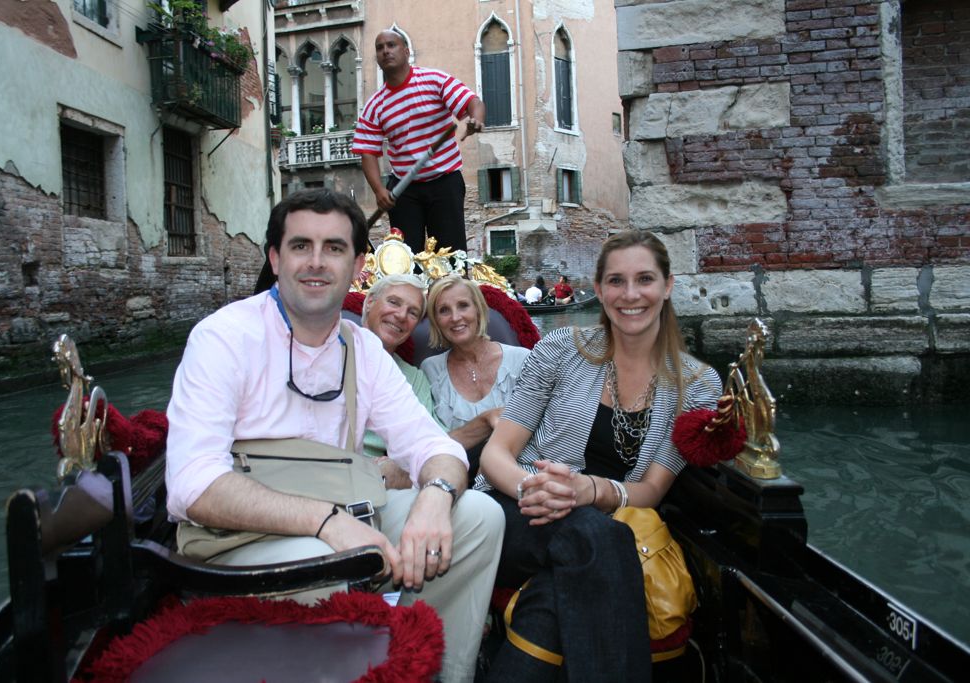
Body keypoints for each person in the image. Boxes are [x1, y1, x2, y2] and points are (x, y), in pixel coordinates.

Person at [165, 189, 504, 683]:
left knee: (477, 515)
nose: (317, 263)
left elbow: (435, 446)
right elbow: (192, 483)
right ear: (276, 258)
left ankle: (435, 670)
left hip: (344, 518)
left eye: (335, 248)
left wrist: (434, 496)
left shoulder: (362, 349)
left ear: (356, 264)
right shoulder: (223, 337)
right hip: (234, 541)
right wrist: (326, 522)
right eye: (301, 246)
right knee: (325, 556)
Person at [478, 229, 722, 682]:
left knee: (562, 587)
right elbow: (496, 453)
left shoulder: (699, 385)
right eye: (616, 281)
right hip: (512, 509)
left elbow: (650, 489)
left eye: (645, 279)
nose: (631, 295)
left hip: (598, 528)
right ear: (599, 288)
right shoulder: (559, 350)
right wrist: (539, 489)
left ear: (667, 286)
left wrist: (587, 491)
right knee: (604, 540)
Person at [352, 29, 486, 255]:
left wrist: (476, 120)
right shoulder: (375, 105)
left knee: (451, 255)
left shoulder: (434, 81)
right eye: (380, 47)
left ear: (406, 51)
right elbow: (367, 152)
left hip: (445, 182)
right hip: (404, 191)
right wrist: (378, 190)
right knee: (405, 258)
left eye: (391, 45)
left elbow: (473, 102)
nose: (385, 51)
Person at [421, 276, 530, 483]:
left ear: (478, 310)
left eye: (463, 306)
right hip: (459, 479)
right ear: (436, 321)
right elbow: (431, 444)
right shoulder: (430, 370)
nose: (455, 317)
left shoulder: (522, 359)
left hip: (523, 473)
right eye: (444, 310)